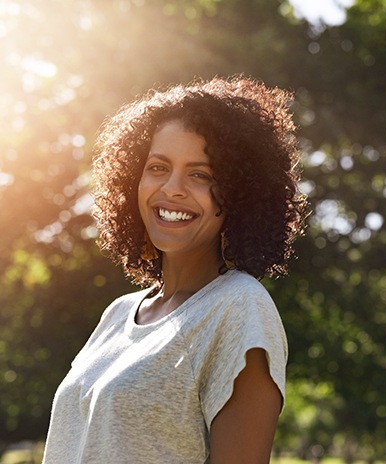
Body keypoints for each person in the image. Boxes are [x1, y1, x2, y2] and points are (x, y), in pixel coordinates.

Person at [42, 76, 307, 464]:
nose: (172, 188)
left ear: (238, 193)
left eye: (200, 174)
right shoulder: (117, 314)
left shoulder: (240, 309)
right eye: (158, 167)